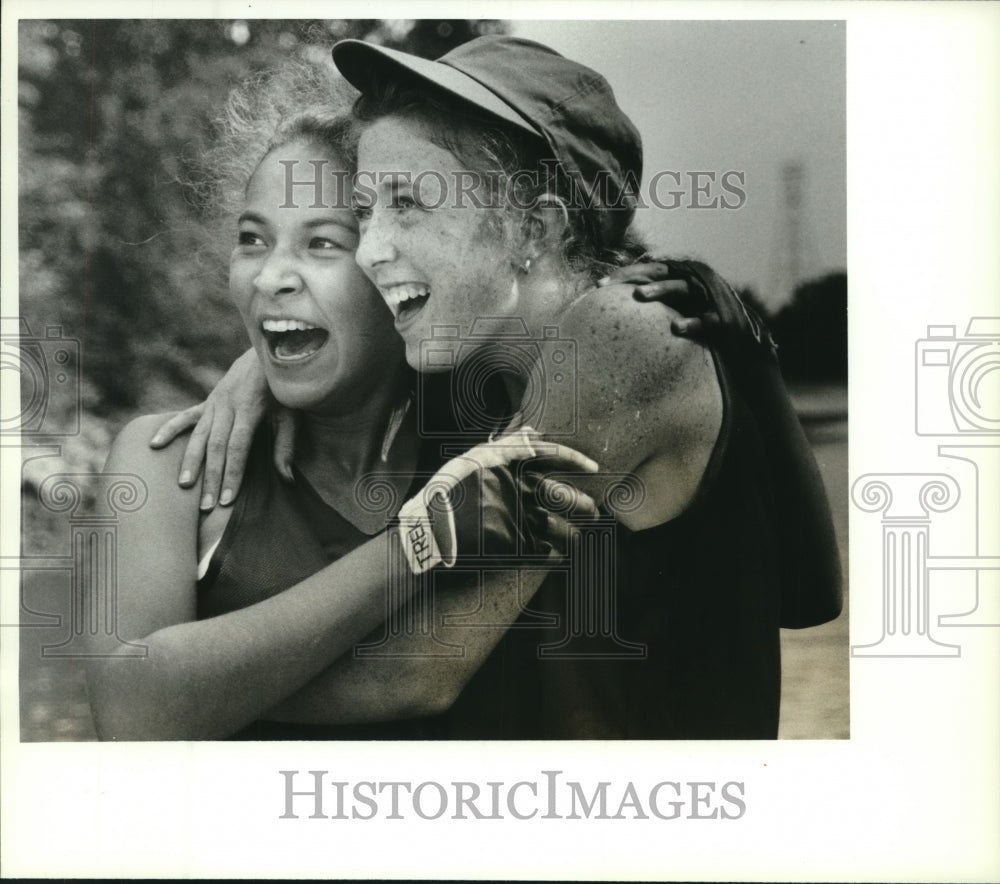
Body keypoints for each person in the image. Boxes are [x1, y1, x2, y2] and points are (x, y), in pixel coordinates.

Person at [157, 36, 843, 739]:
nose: (371, 248)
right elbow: (810, 594)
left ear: (535, 226)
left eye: (409, 204)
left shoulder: (624, 331)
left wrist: (185, 699)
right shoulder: (475, 365)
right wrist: (261, 373)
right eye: (365, 212)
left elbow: (417, 672)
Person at [85, 63, 600, 741]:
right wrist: (419, 544)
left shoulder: (495, 427)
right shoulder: (167, 460)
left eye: (323, 243)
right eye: (251, 239)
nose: (269, 278)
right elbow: (128, 713)